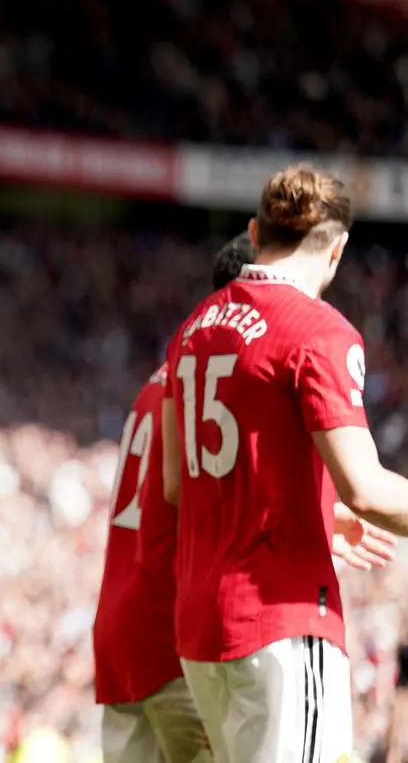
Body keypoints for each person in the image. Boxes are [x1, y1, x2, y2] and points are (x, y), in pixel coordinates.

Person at [160, 164, 408, 763]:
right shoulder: (319, 331)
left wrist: (316, 513)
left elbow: (177, 486)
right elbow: (367, 490)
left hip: (199, 629)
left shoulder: (192, 329)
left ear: (255, 230)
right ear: (338, 249)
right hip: (281, 621)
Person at [92, 232, 254, 763]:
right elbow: (192, 498)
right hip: (171, 640)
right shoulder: (209, 385)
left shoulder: (159, 380)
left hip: (119, 634)